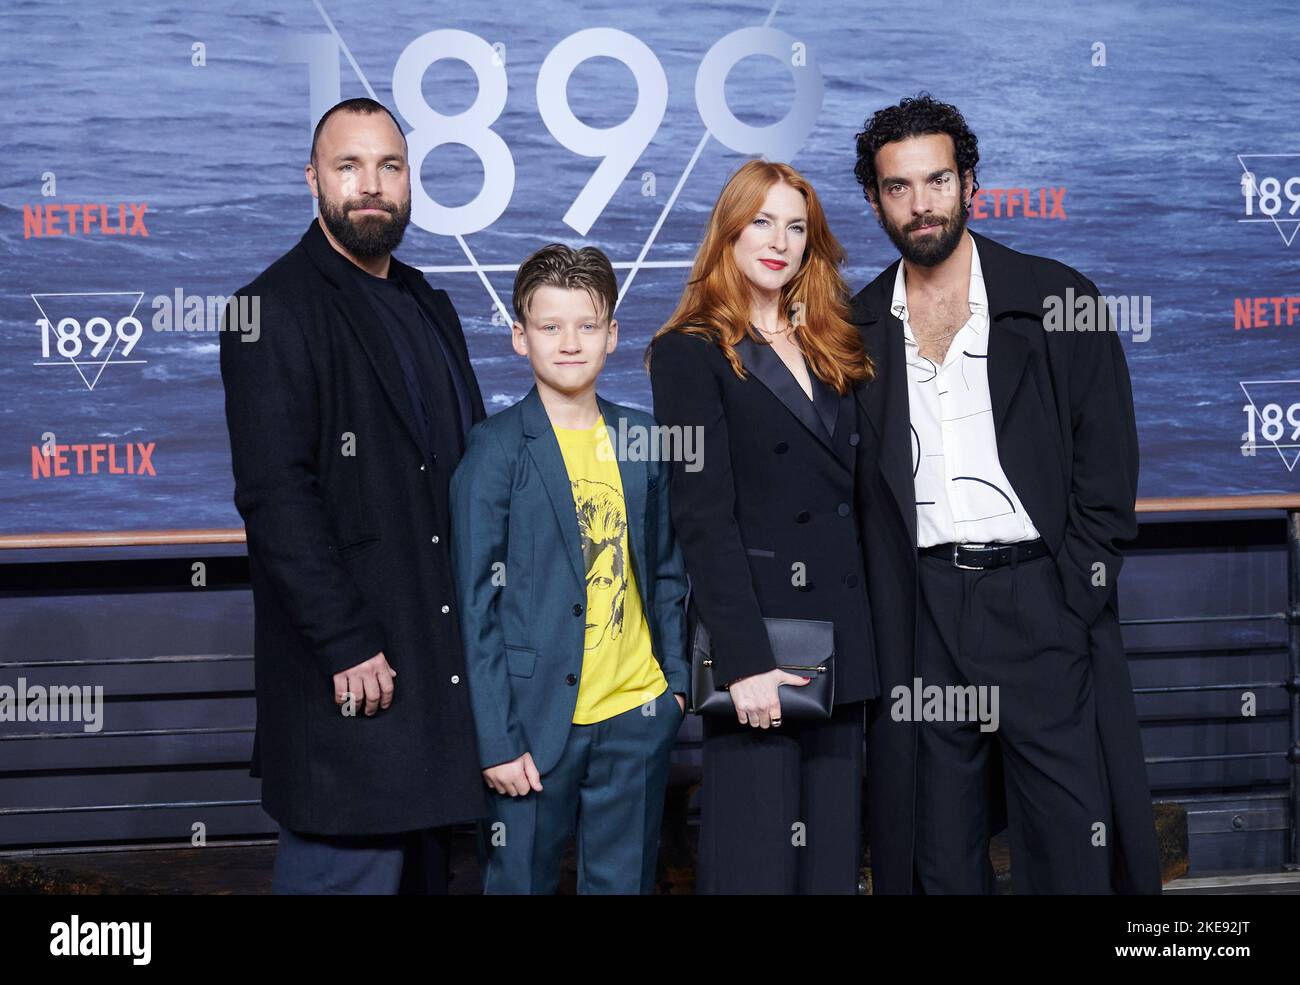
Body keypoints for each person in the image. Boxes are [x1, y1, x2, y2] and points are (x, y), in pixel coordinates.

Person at [849, 92, 1161, 894]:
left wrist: (1069, 597)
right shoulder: (852, 330)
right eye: (898, 187)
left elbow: (1108, 474)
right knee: (938, 851)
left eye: (937, 180)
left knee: (1068, 838)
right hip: (920, 614)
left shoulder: (1060, 298)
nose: (921, 204)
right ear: (876, 199)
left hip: (1039, 603)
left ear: (970, 183)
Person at [219, 97, 486, 894]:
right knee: (346, 867)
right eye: (349, 166)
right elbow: (274, 493)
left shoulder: (427, 301)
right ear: (313, 179)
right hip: (355, 672)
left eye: (389, 167)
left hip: (437, 674)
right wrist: (344, 639)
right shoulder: (269, 309)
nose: (371, 185)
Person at [647, 160, 879, 894]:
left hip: (844, 643)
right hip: (761, 649)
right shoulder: (690, 351)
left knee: (830, 868)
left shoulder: (834, 341)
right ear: (730, 230)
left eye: (796, 226)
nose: (779, 241)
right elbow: (702, 517)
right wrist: (743, 661)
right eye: (762, 221)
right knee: (757, 866)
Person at [450, 244, 689, 894]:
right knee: (517, 883)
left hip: (637, 715)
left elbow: (667, 570)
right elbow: (475, 606)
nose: (569, 342)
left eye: (587, 325)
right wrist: (495, 739)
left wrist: (676, 688)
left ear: (611, 334)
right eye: (550, 326)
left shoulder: (642, 438)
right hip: (532, 725)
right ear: (519, 336)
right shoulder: (494, 451)